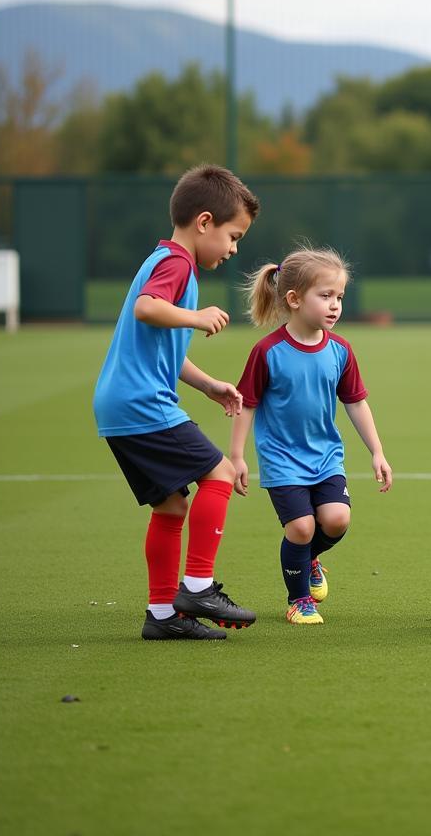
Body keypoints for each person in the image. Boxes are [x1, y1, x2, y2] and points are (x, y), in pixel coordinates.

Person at [93, 163, 261, 641]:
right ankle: (199, 587)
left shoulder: (162, 258)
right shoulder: (177, 264)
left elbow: (159, 349)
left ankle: (164, 615)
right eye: (233, 236)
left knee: (170, 507)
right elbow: (149, 308)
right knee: (221, 473)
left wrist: (208, 384)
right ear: (204, 222)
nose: (233, 249)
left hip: (120, 405)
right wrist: (195, 315)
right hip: (142, 404)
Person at [231, 245, 393, 626]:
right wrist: (236, 455)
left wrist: (377, 451)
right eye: (325, 296)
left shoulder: (340, 350)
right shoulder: (267, 352)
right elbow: (247, 404)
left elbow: (356, 403)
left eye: (339, 296)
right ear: (294, 299)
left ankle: (309, 559)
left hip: (325, 457)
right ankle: (299, 599)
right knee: (302, 527)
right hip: (281, 459)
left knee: (336, 520)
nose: (335, 305)